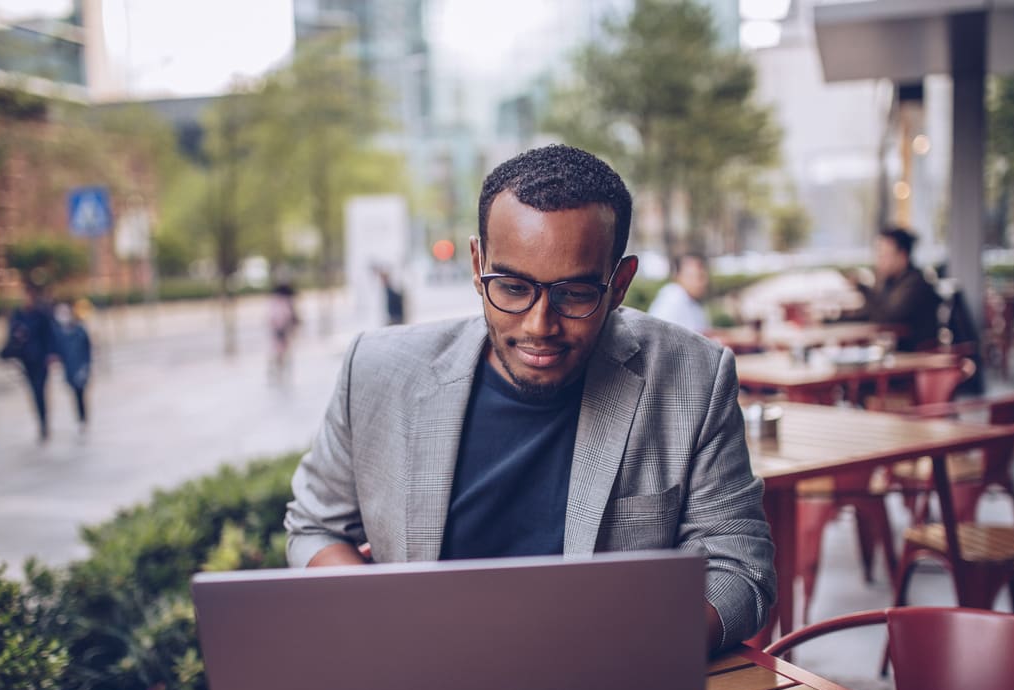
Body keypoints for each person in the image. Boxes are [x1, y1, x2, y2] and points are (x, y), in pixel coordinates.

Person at [285, 145, 776, 651]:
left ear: (620, 283)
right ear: (478, 266)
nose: (539, 326)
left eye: (575, 294)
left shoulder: (692, 377)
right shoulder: (377, 370)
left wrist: (634, 649)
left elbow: (740, 568)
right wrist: (386, 612)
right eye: (513, 287)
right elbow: (314, 528)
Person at [845, 226, 941, 352]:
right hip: (895, 355)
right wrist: (829, 321)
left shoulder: (914, 284)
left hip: (916, 359)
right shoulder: (891, 281)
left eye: (884, 255)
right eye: (878, 255)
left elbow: (887, 318)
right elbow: (870, 313)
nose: (878, 261)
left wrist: (862, 288)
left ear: (902, 256)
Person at [0, 283, 58, 442]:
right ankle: (41, 421)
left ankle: (44, 423)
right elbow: (10, 336)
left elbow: (50, 335)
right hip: (25, 361)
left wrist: (51, 354)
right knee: (34, 392)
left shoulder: (41, 314)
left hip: (40, 360)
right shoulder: (17, 315)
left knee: (40, 391)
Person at [55, 298, 93, 433]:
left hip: (81, 368)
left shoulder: (80, 330)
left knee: (80, 394)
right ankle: (81, 419)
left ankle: (83, 418)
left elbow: (88, 349)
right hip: (69, 370)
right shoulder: (59, 333)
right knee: (75, 395)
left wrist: (86, 367)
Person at [647, 253, 711, 332]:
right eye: (697, 277)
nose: (703, 282)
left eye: (703, 276)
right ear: (678, 276)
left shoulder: (692, 300)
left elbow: (703, 333)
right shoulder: (673, 296)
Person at [268, 283, 301, 382]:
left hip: (279, 330)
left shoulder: (274, 302)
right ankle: (278, 370)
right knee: (281, 351)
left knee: (279, 351)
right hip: (281, 330)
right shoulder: (282, 302)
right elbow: (287, 316)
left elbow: (272, 317)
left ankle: (278, 370)